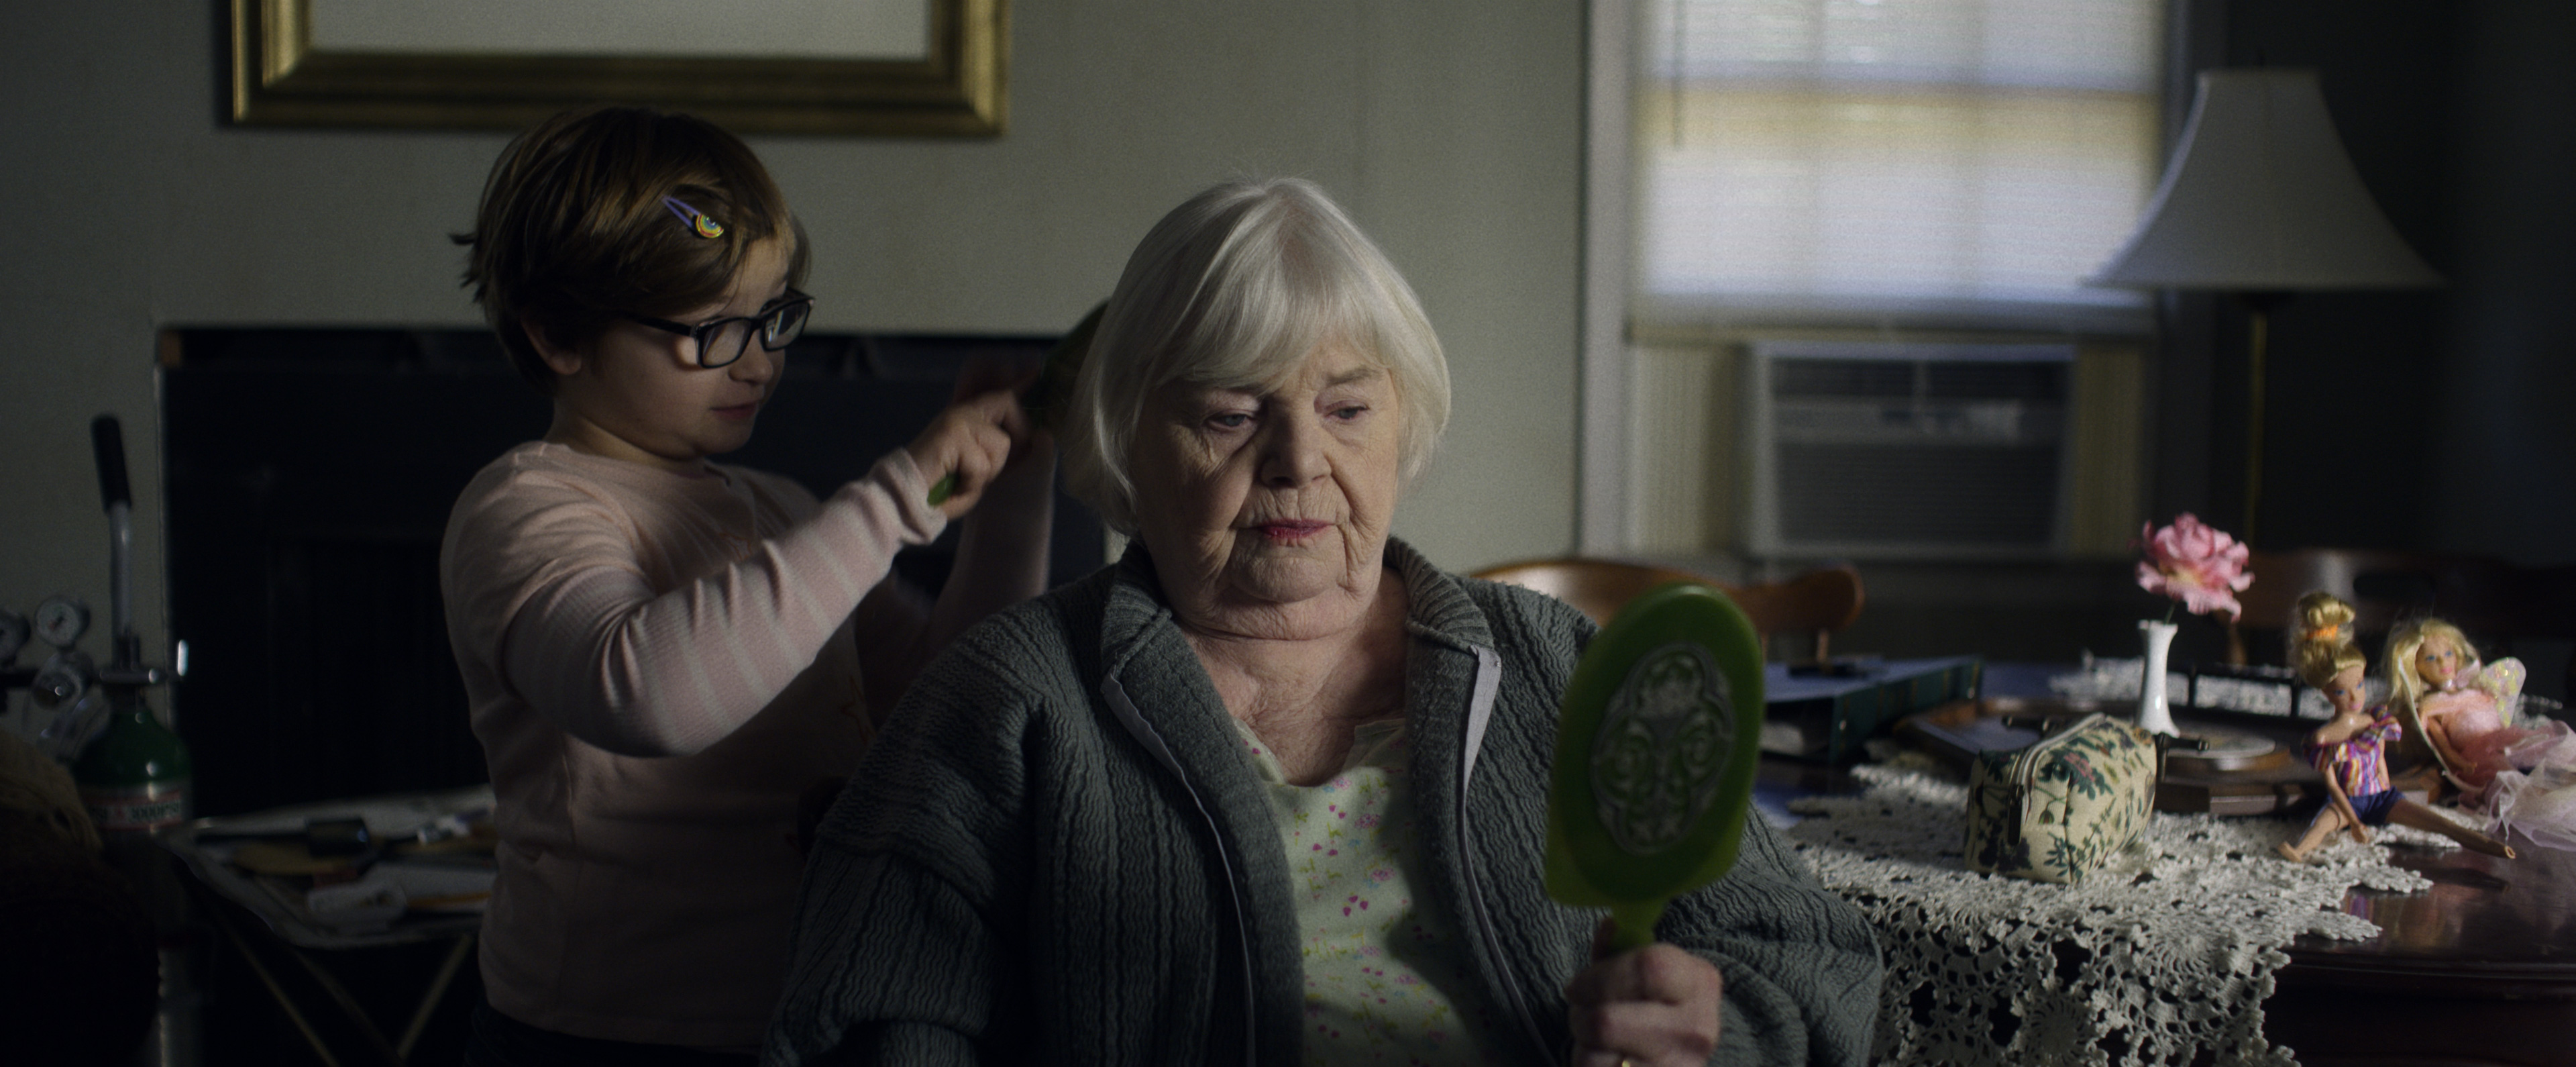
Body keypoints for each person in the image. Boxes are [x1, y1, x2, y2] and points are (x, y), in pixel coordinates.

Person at [763, 178, 1881, 1066]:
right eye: (1229, 413)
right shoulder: (1012, 695)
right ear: (1126, 437)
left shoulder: (1551, 661)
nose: (1300, 458)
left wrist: (1716, 1036)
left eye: (1347, 406)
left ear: (1404, 421)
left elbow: (1805, 956)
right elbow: (877, 1018)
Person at [442, 104, 1055, 1065]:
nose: (762, 360)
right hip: (601, 1034)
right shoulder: (527, 509)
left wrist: (1012, 498)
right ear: (560, 334)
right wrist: (897, 501)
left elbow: (946, 693)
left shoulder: (778, 509)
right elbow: (646, 694)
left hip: (804, 1010)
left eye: (772, 316)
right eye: (714, 330)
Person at [2274, 594, 2513, 863]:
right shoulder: (2324, 737)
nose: (2355, 697)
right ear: (2326, 694)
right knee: (2320, 826)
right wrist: (2354, 821)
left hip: (2382, 797)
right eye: (2341, 691)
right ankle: (2297, 851)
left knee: (2438, 823)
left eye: (2360, 685)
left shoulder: (2375, 722)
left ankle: (2487, 845)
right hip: (2348, 803)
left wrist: (2385, 788)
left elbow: (2380, 763)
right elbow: (2333, 786)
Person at [2387, 617, 2576, 851]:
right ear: (2415, 667)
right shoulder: (2431, 708)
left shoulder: (2473, 689)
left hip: (2504, 738)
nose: (2443, 662)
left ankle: (2566, 780)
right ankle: (2550, 801)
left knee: (2551, 745)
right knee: (2514, 786)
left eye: (2448, 654)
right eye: (2431, 659)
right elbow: (2444, 748)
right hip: (2478, 756)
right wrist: (2461, 764)